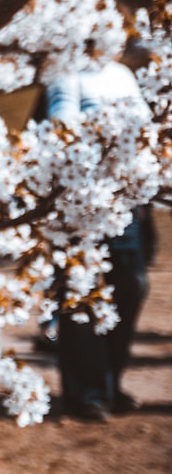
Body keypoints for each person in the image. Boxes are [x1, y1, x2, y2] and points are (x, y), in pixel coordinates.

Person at [46, 61, 154, 420]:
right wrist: (108, 134)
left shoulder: (123, 73)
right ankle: (86, 392)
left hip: (125, 201)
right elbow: (61, 126)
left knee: (131, 285)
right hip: (81, 202)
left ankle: (109, 380)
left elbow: (145, 125)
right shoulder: (67, 72)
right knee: (80, 293)